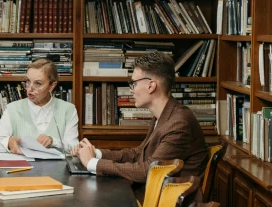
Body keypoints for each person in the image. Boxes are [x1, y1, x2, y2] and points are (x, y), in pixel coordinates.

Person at [72, 51, 209, 191]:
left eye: (134, 83)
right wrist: (96, 153)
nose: (131, 90)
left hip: (166, 205)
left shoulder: (179, 123)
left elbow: (147, 171)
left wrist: (92, 163)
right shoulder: (164, 114)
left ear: (151, 86)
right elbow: (138, 154)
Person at [0, 58, 79, 155]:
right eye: (28, 81)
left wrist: (53, 141)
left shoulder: (68, 110)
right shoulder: (12, 109)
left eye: (38, 83)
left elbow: (74, 147)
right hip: (23, 169)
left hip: (57, 169)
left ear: (52, 86)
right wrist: (8, 142)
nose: (30, 88)